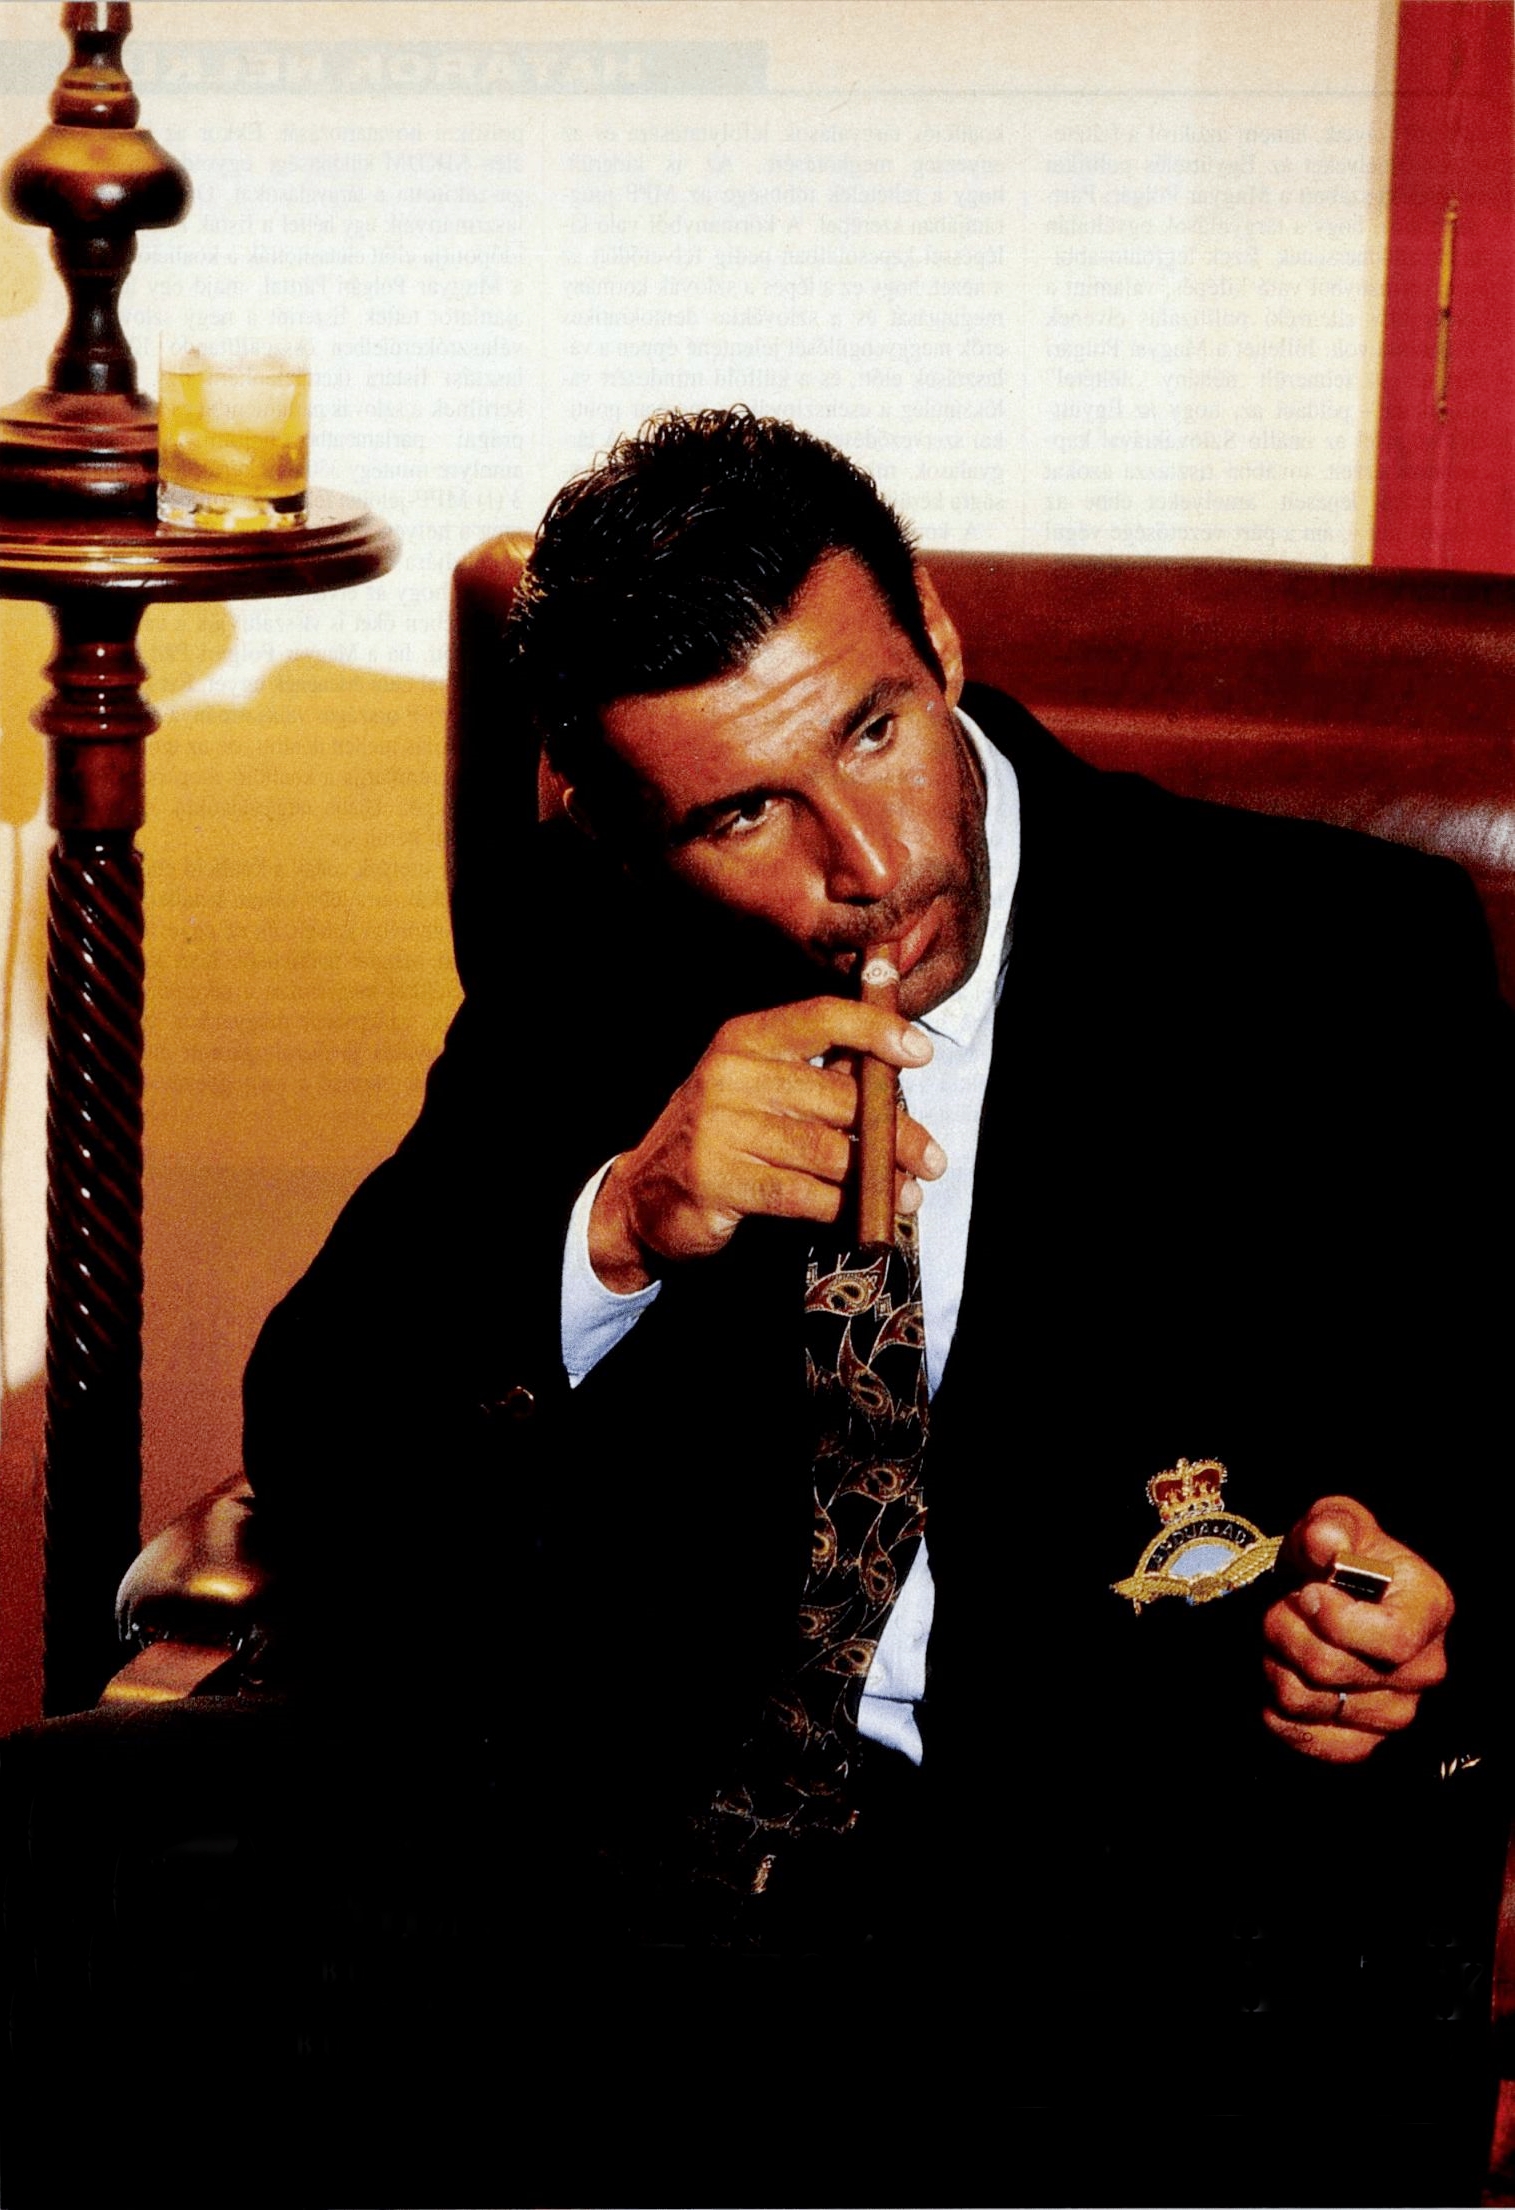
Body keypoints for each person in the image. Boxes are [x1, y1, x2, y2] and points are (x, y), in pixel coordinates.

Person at [242, 409, 1515, 2207]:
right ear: (630, 830)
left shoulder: (1333, 959)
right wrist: (620, 1222)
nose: (865, 862)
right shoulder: (595, 944)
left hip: (1131, 1957)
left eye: (872, 729)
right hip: (640, 1922)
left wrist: (1423, 1619)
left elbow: (1494, 1449)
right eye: (745, 812)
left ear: (938, 634)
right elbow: (317, 1423)